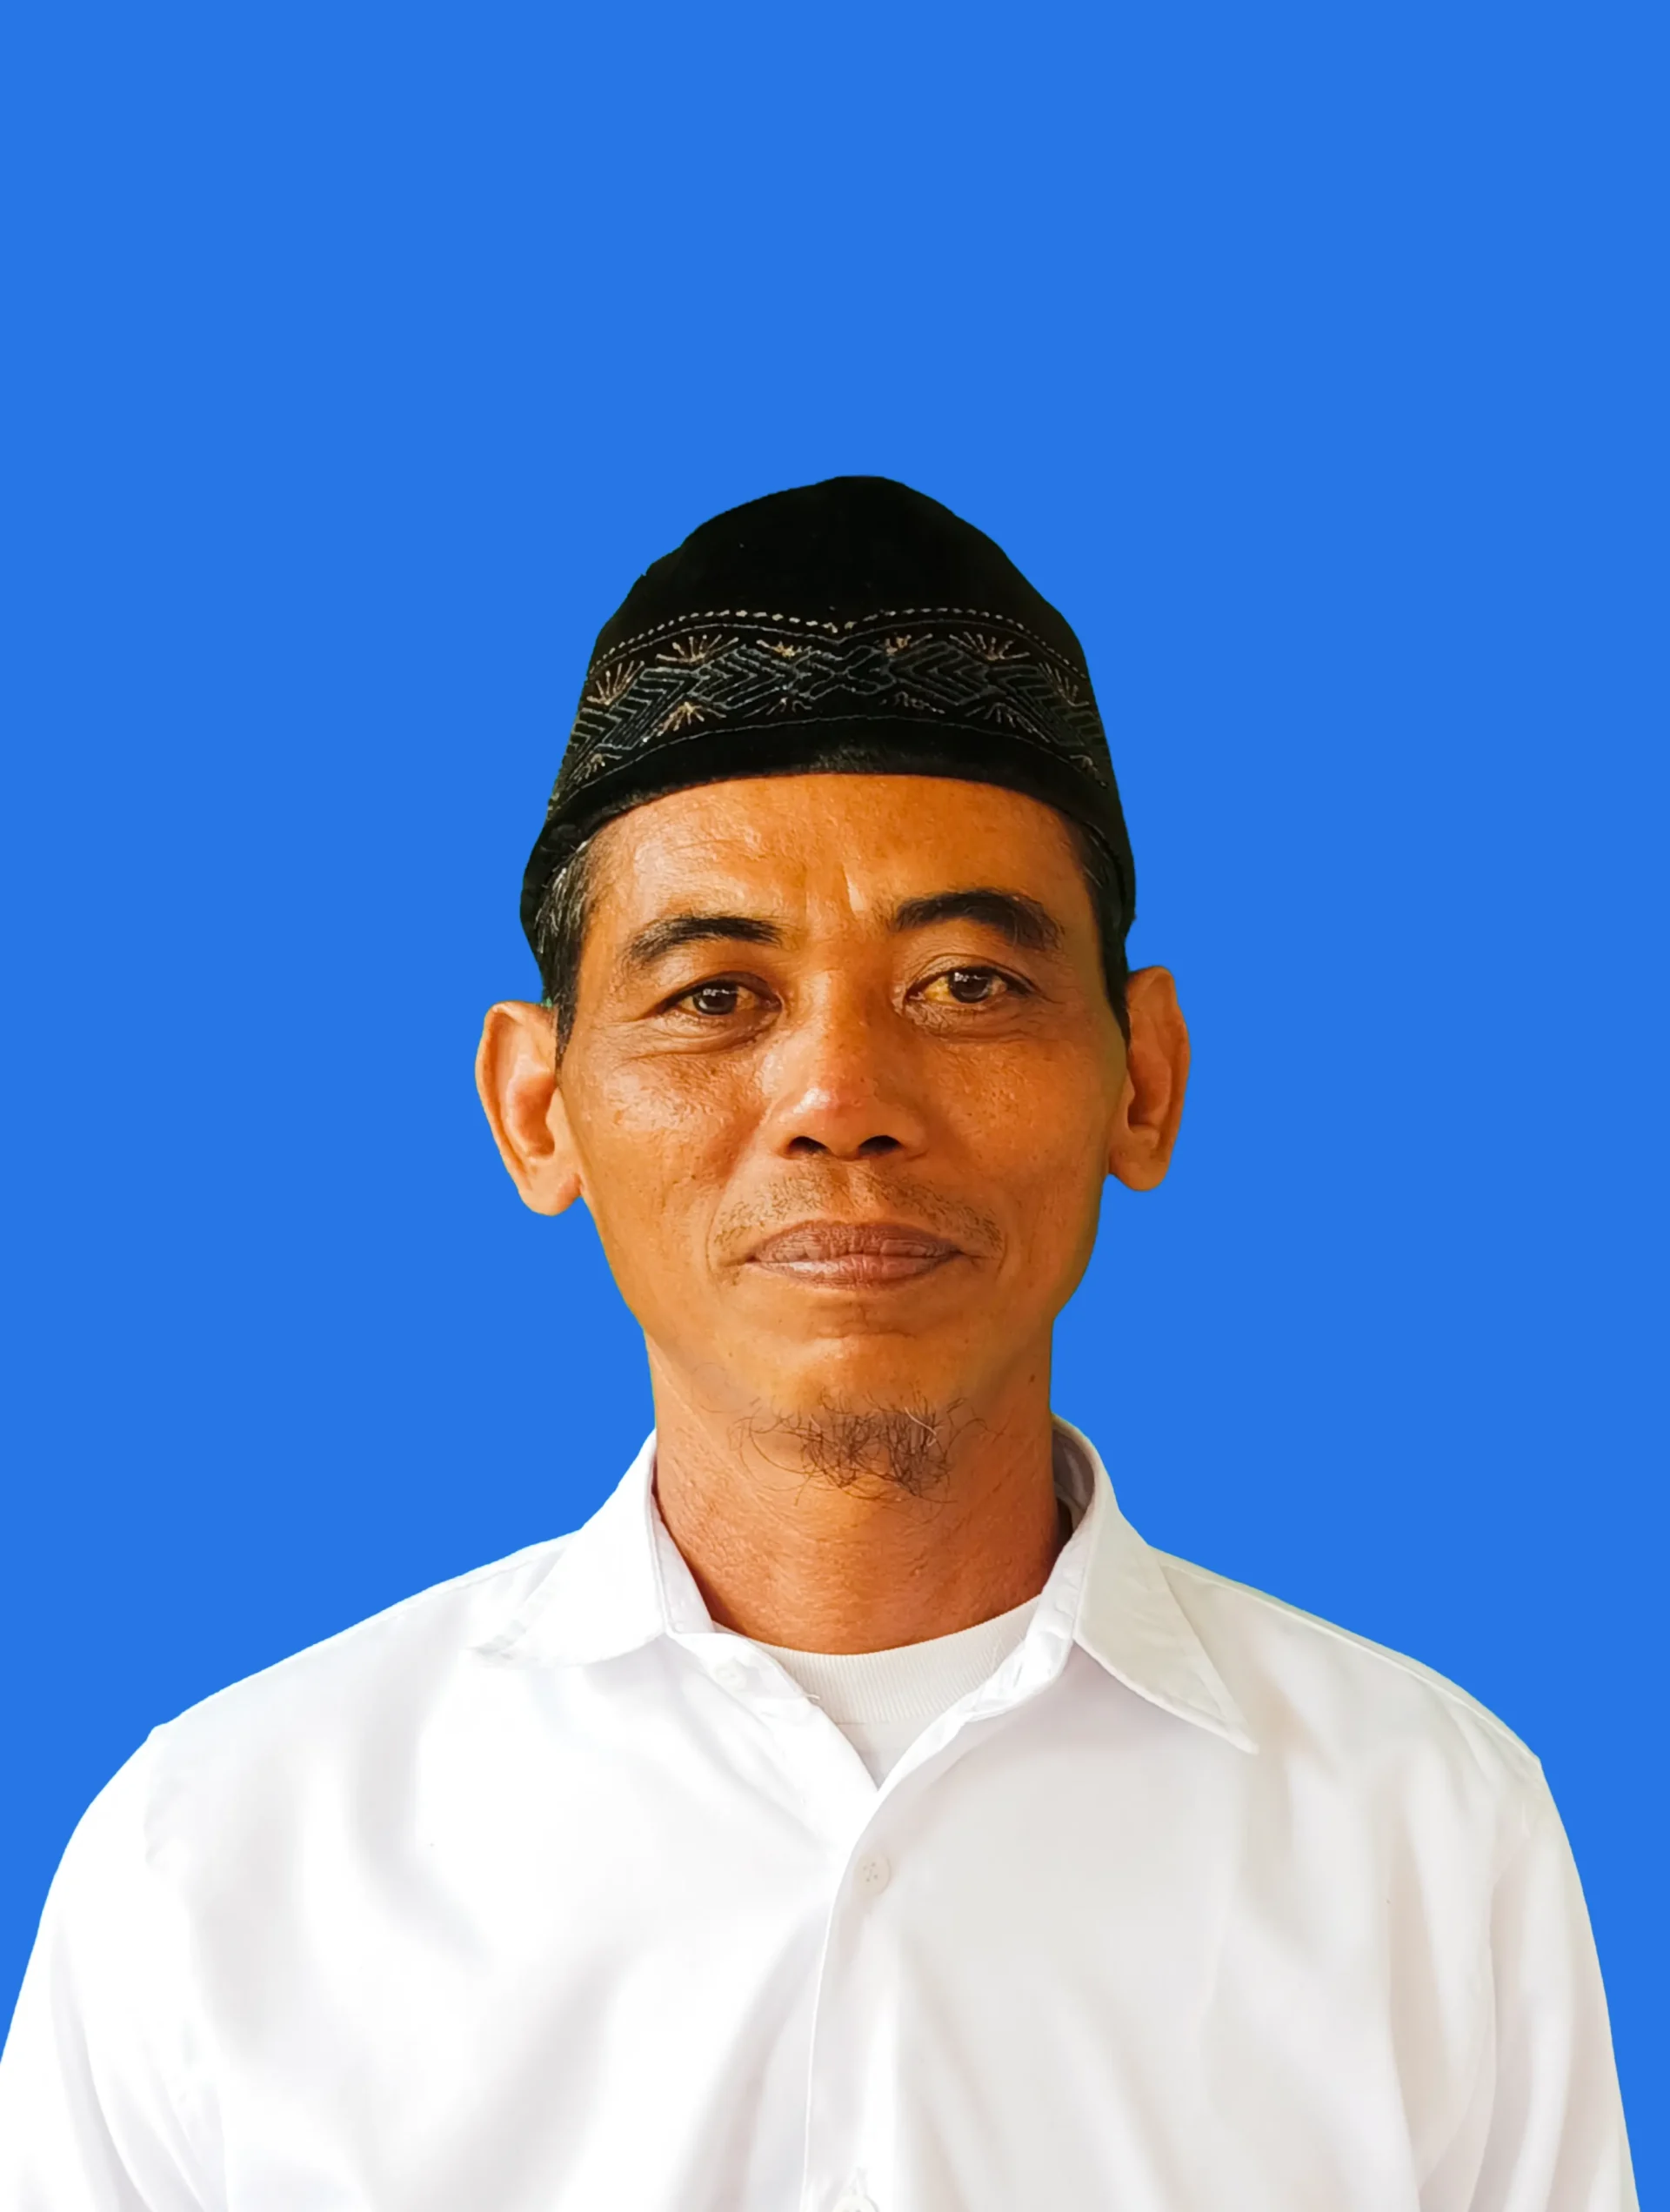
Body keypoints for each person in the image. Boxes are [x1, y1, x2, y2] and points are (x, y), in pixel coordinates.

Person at [0, 478, 1636, 2210]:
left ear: (1143, 1078)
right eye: (715, 995)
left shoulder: (1429, 1837)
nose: (842, 1101)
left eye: (968, 983)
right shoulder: (222, 1866)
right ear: (538, 1107)